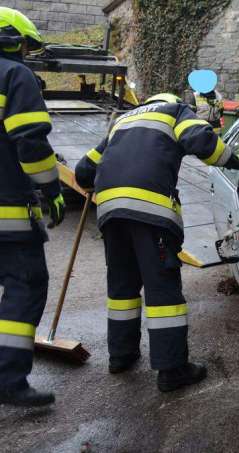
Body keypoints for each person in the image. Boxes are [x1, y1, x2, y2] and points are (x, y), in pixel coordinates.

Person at [74, 93, 239, 392]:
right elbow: (202, 141)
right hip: (151, 214)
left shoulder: (121, 122)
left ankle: (121, 356)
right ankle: (172, 370)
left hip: (109, 213)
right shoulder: (175, 111)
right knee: (162, 292)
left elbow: (83, 172)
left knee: (122, 288)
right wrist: (235, 160)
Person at [0, 7, 66, 407]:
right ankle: (8, 380)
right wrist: (51, 188)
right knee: (24, 286)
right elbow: (31, 143)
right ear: (11, 39)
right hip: (7, 211)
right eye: (25, 45)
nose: (27, 53)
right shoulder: (13, 74)